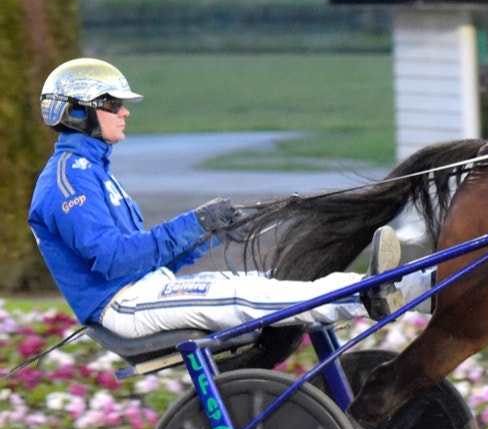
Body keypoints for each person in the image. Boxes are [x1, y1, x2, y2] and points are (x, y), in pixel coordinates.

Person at [28, 57, 412, 340]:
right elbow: (115, 260)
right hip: (122, 304)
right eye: (113, 104)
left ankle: (412, 287)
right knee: (245, 294)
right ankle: (364, 297)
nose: (125, 111)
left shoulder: (90, 171)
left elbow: (147, 254)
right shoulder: (67, 183)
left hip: (144, 288)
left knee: (270, 282)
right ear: (78, 112)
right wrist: (192, 222)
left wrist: (211, 232)